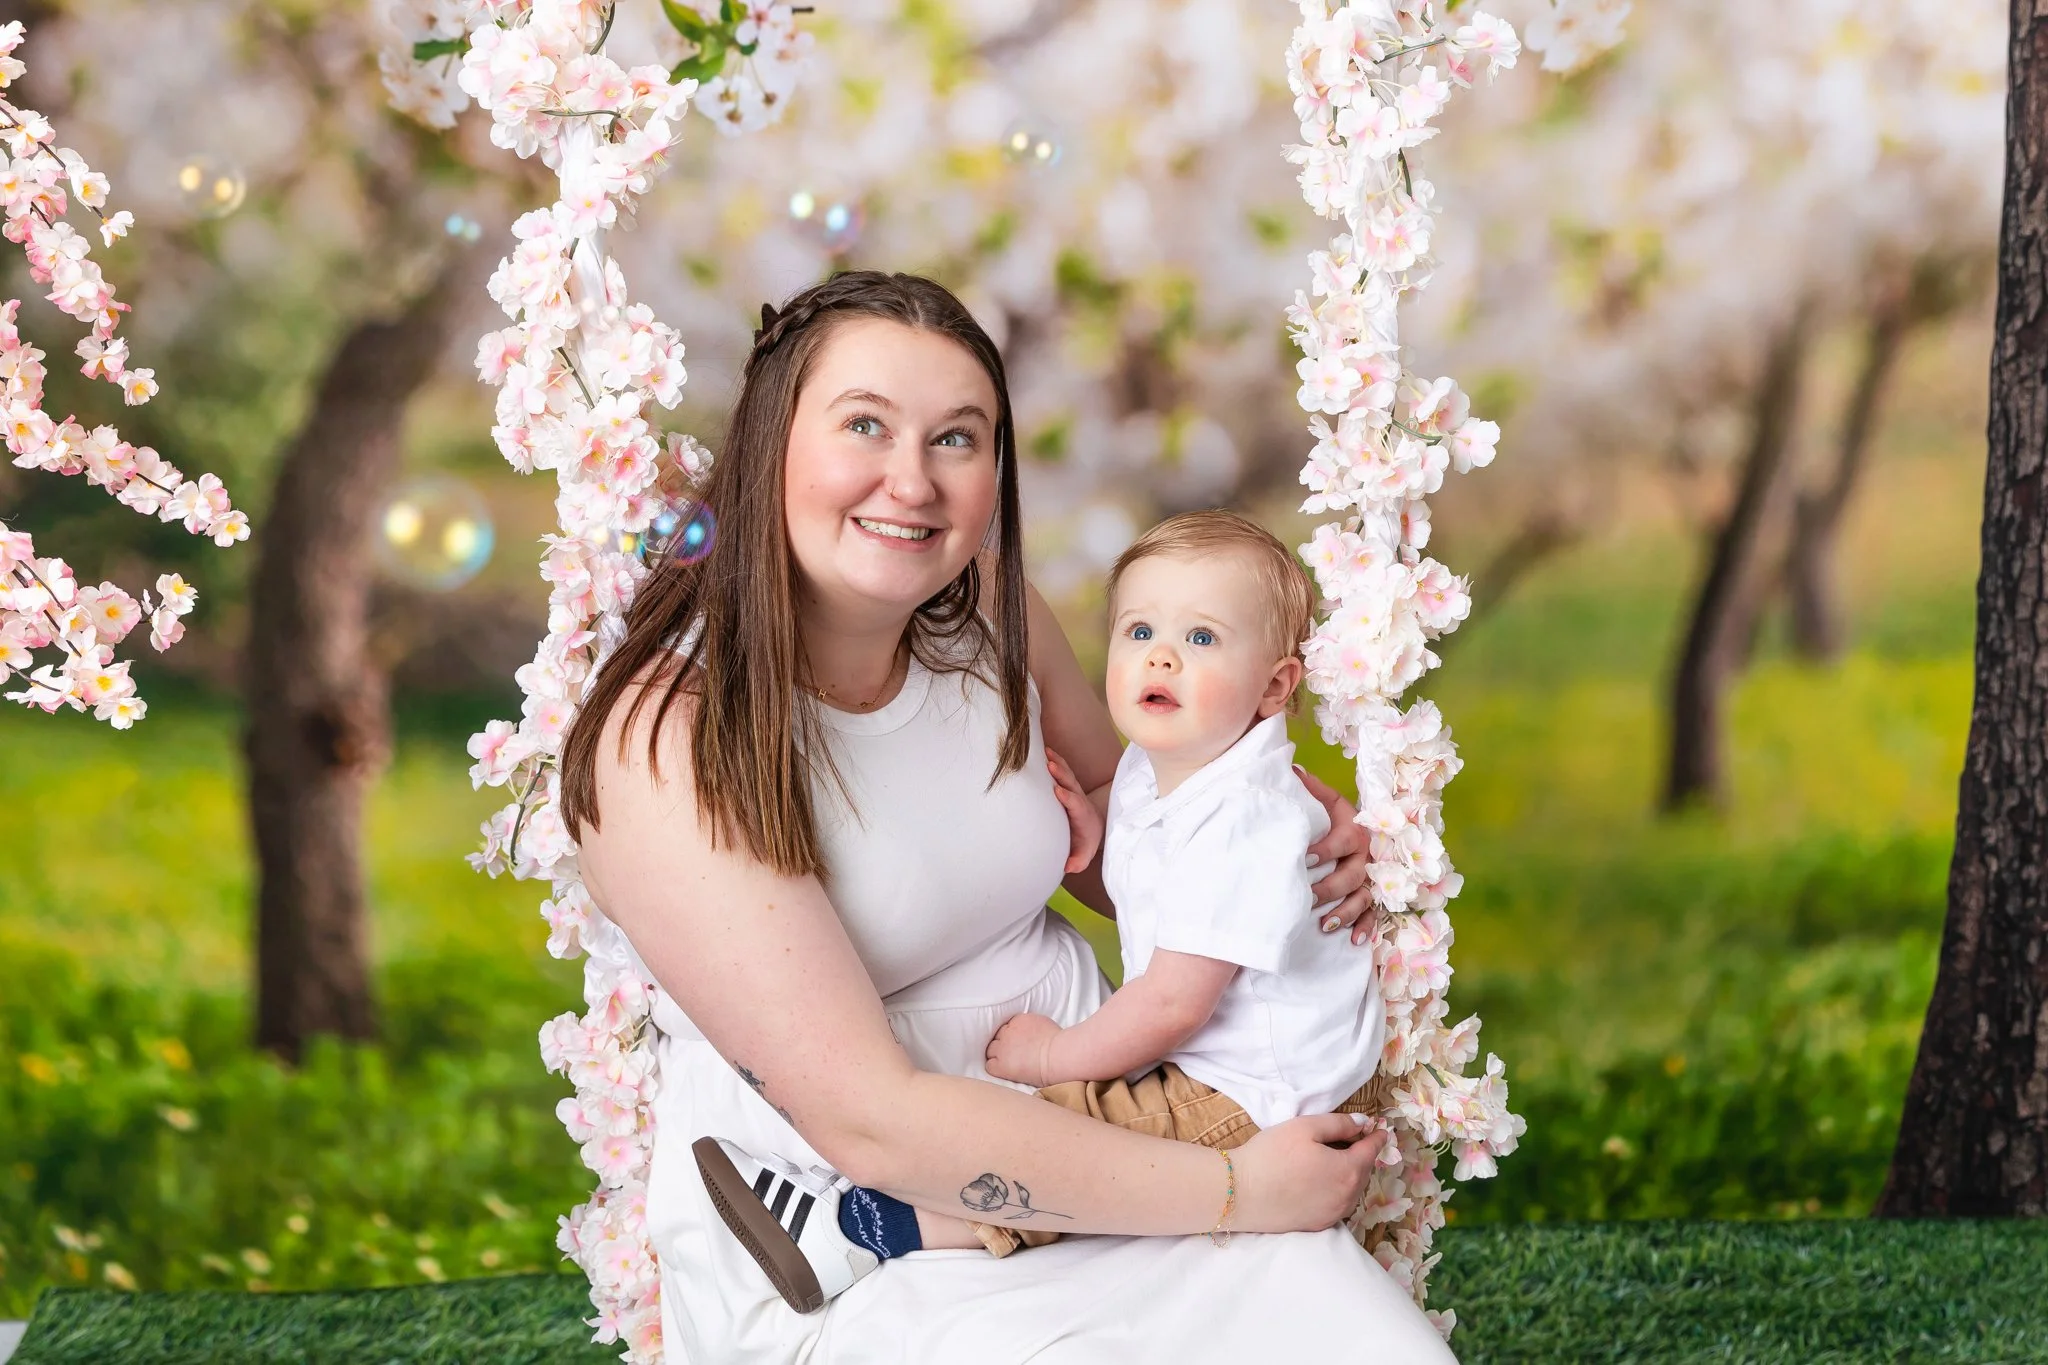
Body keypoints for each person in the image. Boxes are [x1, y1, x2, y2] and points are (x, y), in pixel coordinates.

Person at [561, 270, 1460, 1363]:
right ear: (769, 445)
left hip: (1124, 1104)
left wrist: (1269, 849)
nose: (912, 481)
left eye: (958, 439)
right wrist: (1232, 1186)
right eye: (864, 426)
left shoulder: (987, 610)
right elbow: (871, 1118)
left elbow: (1134, 854)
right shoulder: (669, 738)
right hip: (853, 1219)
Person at [698, 508, 1393, 1291]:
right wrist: (1103, 840)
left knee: (1079, 1143)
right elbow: (1167, 894)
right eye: (1138, 631)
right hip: (1229, 1064)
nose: (1160, 655)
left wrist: (1055, 1053)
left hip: (1265, 1092)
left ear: (1274, 686)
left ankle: (866, 1229)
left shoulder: (1249, 817)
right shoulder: (1167, 761)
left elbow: (1172, 1004)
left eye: (1201, 639)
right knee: (1069, 1129)